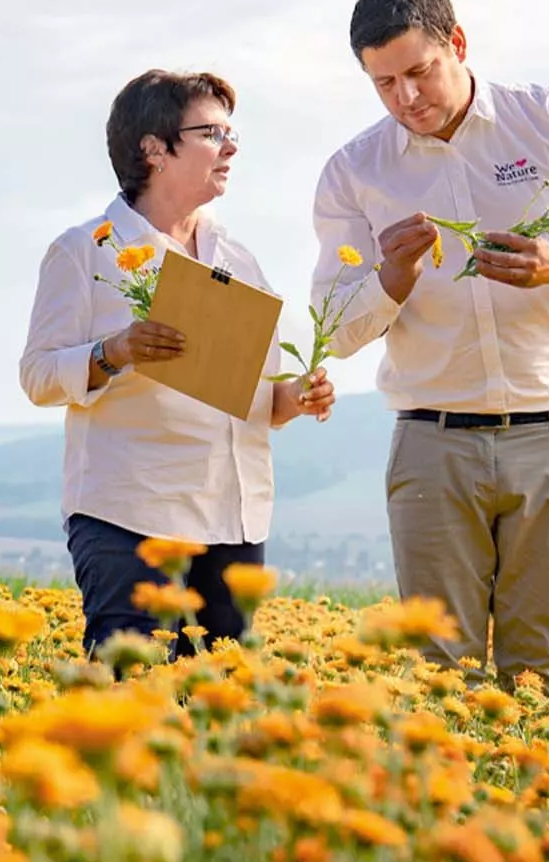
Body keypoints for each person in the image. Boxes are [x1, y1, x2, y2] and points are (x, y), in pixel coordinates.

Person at [309, 0, 549, 686]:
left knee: (543, 676)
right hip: (431, 445)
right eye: (383, 84)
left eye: (419, 71)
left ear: (460, 44)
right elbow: (331, 326)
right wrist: (391, 279)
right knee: (438, 679)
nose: (406, 98)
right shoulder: (353, 172)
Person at [22, 68, 336, 660]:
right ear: (154, 149)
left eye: (230, 132)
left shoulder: (238, 258)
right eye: (212, 133)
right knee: (134, 705)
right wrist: (113, 351)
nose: (232, 147)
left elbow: (257, 399)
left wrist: (296, 398)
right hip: (129, 514)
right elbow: (37, 376)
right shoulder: (85, 250)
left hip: (233, 517)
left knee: (219, 714)